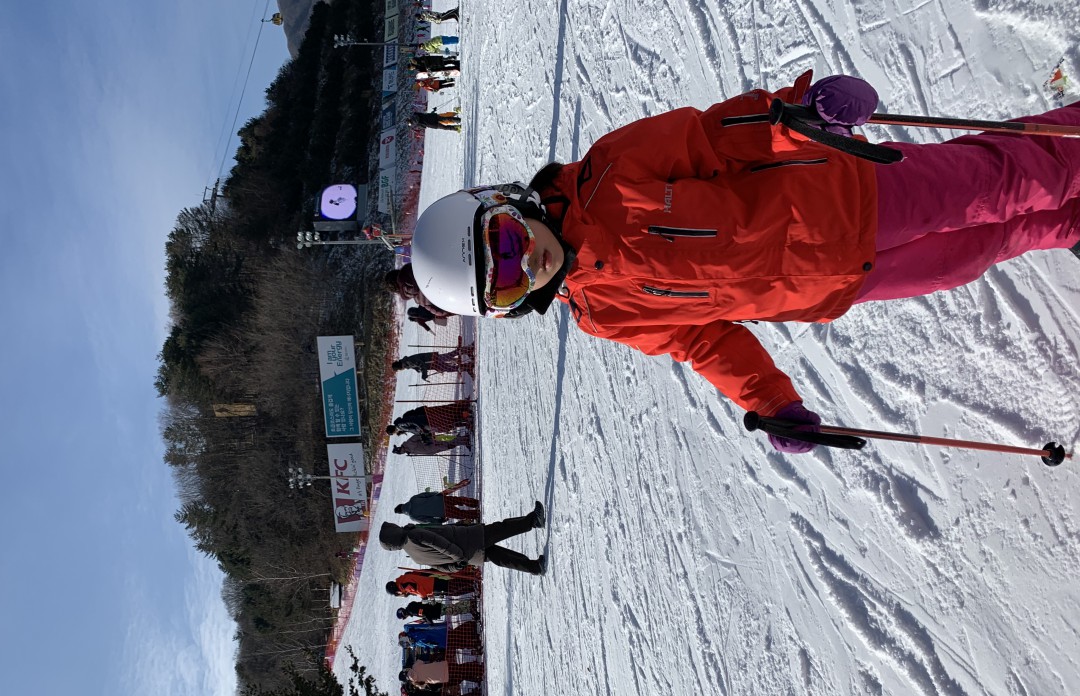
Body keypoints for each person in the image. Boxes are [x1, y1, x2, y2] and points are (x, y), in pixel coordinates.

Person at [406, 72, 1080, 454]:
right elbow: (701, 340)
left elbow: (717, 137)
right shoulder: (603, 313)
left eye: (504, 240)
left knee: (1004, 181)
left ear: (503, 202)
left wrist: (801, 117)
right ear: (508, 307)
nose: (525, 260)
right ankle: (1069, 225)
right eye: (506, 281)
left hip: (853, 193)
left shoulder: (611, 172)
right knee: (973, 252)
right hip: (837, 282)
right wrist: (770, 401)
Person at [378, 503, 547, 575]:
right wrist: (458, 555)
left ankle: (535, 567)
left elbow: (442, 568)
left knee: (502, 558)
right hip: (470, 540)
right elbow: (439, 543)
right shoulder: (413, 535)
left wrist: (458, 564)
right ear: (394, 533)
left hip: (471, 556)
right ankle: (533, 520)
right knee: (502, 528)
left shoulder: (415, 557)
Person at [395, 482, 480, 524]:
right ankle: (475, 503)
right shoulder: (413, 499)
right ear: (402, 504)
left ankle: (476, 514)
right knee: (459, 500)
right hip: (440, 499)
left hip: (443, 511)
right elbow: (426, 494)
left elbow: (428, 520)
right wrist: (437, 495)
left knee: (460, 514)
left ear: (403, 512)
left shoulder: (413, 516)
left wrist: (440, 520)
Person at [387, 401, 472, 438]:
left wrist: (422, 429)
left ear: (393, 431)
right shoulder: (401, 427)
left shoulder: (400, 424)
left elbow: (413, 421)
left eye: (392, 433)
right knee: (446, 422)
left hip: (427, 420)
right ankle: (464, 417)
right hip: (426, 423)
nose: (394, 434)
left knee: (445, 418)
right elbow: (413, 428)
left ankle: (464, 412)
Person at [392, 348, 474, 379]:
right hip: (432, 363)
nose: (401, 370)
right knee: (447, 367)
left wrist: (424, 374)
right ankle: (467, 366)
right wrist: (418, 369)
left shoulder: (407, 362)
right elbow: (418, 365)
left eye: (399, 369)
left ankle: (467, 350)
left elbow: (421, 363)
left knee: (448, 357)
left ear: (399, 367)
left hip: (432, 360)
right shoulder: (407, 363)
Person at [392, 431, 470, 456]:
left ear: (400, 449)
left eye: (400, 452)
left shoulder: (408, 443)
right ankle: (463, 440)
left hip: (432, 443)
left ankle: (464, 439)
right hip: (432, 450)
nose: (402, 453)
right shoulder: (409, 451)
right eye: (401, 453)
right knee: (449, 445)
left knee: (448, 444)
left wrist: (426, 439)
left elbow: (417, 436)